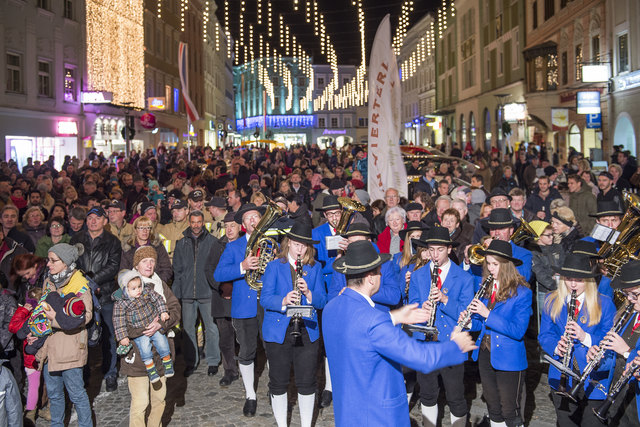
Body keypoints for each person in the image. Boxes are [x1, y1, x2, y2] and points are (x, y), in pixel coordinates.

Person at [323, 240, 476, 426]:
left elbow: (359, 330)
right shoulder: (373, 320)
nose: (381, 275)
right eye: (379, 271)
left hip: (348, 412)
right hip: (377, 416)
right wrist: (455, 347)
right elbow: (421, 357)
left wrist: (394, 316)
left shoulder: (332, 308)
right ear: (371, 278)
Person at [260, 221, 326, 427]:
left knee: (307, 382)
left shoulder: (314, 268)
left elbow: (322, 300)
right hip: (279, 330)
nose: (300, 248)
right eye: (297, 244)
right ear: (288, 243)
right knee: (278, 382)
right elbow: (264, 298)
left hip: (307, 329)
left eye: (304, 245)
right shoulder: (273, 266)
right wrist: (283, 300)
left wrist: (308, 293)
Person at [459, 240, 532, 427]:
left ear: (506, 266)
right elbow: (481, 324)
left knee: (510, 410)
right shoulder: (487, 288)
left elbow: (518, 330)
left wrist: (487, 314)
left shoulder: (522, 292)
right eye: (488, 263)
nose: (490, 268)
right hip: (485, 353)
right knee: (493, 408)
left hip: (508, 356)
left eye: (495, 264)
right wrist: (469, 322)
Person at [538, 254, 616, 426]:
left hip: (594, 377)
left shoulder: (604, 303)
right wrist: (557, 348)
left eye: (579, 280)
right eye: (568, 279)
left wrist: (585, 337)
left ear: (588, 281)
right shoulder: (552, 300)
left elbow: (610, 340)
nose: (573, 284)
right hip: (561, 376)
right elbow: (544, 335)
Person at [408, 227, 474, 427]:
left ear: (449, 250)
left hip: (451, 344)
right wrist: (421, 308)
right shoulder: (418, 275)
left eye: (440, 250)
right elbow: (410, 310)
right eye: (431, 250)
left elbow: (467, 317)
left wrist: (445, 299)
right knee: (427, 394)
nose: (435, 255)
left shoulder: (464, 278)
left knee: (455, 396)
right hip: (425, 343)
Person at [214, 202, 268, 417]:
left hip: (267, 303)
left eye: (255, 216)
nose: (252, 221)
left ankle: (276, 389)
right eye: (248, 218)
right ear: (243, 224)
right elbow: (219, 275)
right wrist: (242, 267)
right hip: (244, 306)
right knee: (246, 351)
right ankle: (250, 395)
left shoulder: (271, 243)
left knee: (272, 347)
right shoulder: (234, 247)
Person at [121, 246, 181, 427]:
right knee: (140, 403)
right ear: (136, 265)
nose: (149, 264)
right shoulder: (127, 287)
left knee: (159, 400)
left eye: (152, 261)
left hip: (161, 355)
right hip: (137, 356)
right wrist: (145, 328)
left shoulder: (160, 284)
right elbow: (120, 322)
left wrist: (160, 325)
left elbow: (175, 309)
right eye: (144, 261)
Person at [37, 243, 93, 427]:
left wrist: (55, 319)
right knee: (54, 394)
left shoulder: (80, 284)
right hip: (50, 348)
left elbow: (87, 315)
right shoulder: (49, 281)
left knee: (76, 393)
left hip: (71, 347)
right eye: (48, 260)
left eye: (53, 261)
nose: (48, 264)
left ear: (66, 262)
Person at [70, 206, 122, 392]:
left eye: (97, 218)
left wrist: (91, 281)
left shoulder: (112, 241)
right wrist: (82, 282)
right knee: (81, 336)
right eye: (90, 218)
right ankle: (83, 375)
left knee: (108, 337)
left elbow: (113, 266)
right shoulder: (76, 240)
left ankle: (110, 373)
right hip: (80, 295)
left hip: (105, 295)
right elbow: (71, 262)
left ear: (104, 221)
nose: (93, 221)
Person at [172, 211, 221, 377]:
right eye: (193, 222)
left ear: (203, 222)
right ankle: (191, 361)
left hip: (207, 291)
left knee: (212, 328)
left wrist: (215, 288)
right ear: (189, 222)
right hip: (186, 293)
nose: (196, 225)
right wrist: (176, 294)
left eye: (199, 222)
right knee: (188, 329)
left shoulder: (212, 242)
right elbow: (177, 270)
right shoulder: (181, 243)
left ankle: (213, 361)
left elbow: (216, 268)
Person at [596, 260, 640, 425]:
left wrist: (626, 351)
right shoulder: (628, 316)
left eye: (634, 294)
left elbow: (626, 353)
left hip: (636, 403)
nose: (629, 299)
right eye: (626, 293)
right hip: (618, 398)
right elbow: (614, 360)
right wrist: (599, 357)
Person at [113, 269, 174, 383]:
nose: (138, 290)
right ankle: (151, 370)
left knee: (162, 341)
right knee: (145, 348)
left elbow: (158, 300)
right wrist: (122, 336)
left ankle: (167, 362)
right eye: (134, 288)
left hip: (152, 322)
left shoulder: (147, 291)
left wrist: (163, 311)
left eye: (139, 286)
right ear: (125, 290)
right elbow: (118, 321)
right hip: (139, 330)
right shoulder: (121, 303)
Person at [206, 212, 240, 387]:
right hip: (221, 297)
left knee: (245, 338)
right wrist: (221, 287)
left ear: (240, 227)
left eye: (232, 226)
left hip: (240, 297)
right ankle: (230, 371)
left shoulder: (245, 244)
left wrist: (235, 288)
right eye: (226, 226)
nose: (229, 229)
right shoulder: (217, 245)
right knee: (225, 338)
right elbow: (209, 268)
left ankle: (248, 366)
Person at [120, 216, 172, 284]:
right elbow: (123, 271)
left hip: (156, 285)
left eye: (148, 228)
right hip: (134, 287)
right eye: (141, 228)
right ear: (135, 230)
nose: (145, 231)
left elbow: (167, 269)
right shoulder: (128, 248)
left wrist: (156, 283)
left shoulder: (158, 246)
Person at [312, 196, 343, 290]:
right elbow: (316, 264)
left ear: (342, 212)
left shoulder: (350, 230)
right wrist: (337, 261)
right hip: (328, 282)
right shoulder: (316, 233)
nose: (334, 218)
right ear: (325, 215)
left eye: (337, 214)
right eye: (330, 214)